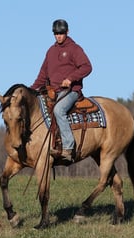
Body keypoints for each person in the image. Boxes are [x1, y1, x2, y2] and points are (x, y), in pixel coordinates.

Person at [31, 19, 92, 162]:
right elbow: (42, 75)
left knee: (59, 110)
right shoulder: (51, 51)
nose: (59, 36)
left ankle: (68, 147)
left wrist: (70, 79)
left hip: (71, 91)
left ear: (67, 32)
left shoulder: (75, 49)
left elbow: (87, 67)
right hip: (53, 92)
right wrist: (31, 91)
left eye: (61, 33)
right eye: (56, 33)